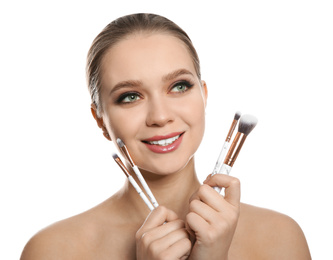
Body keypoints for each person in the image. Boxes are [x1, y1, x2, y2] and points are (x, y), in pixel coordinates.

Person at [20, 13, 311, 259]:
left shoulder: (280, 239)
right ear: (100, 120)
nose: (160, 116)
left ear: (204, 95)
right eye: (130, 96)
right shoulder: (53, 250)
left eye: (179, 86)